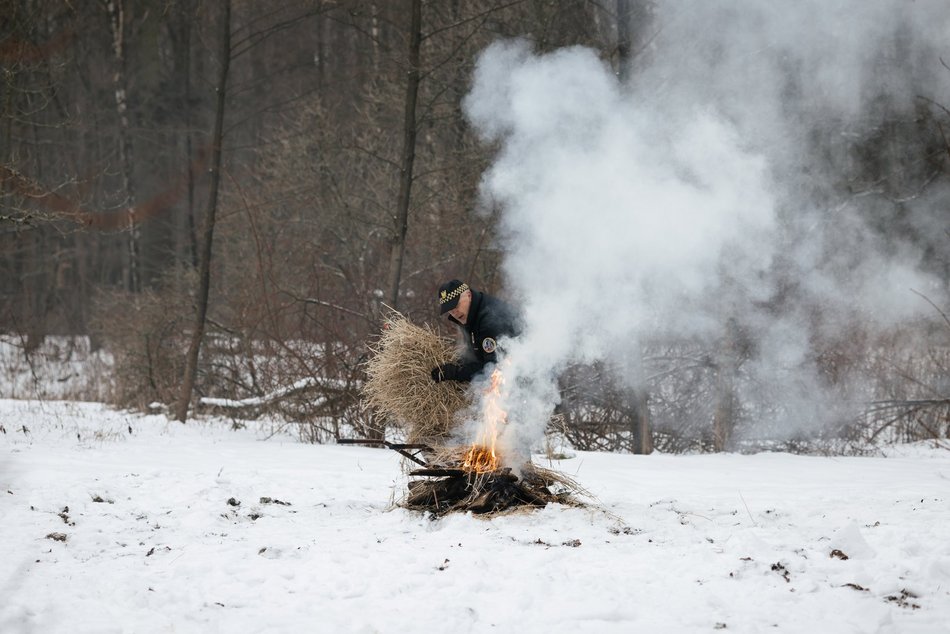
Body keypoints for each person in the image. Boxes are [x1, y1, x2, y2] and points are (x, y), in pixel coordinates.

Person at [430, 279, 522, 383]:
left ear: (468, 295)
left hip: (525, 373)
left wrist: (456, 372)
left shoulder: (489, 322)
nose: (454, 312)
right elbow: (477, 352)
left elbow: (493, 370)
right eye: (449, 309)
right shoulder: (470, 313)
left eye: (456, 305)